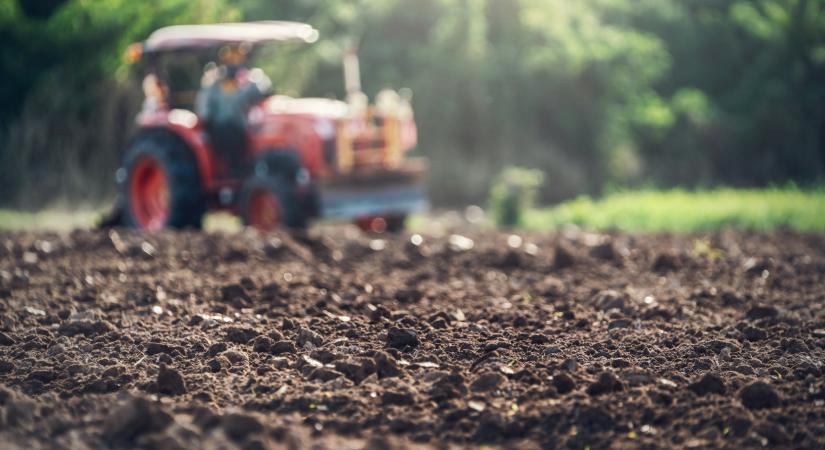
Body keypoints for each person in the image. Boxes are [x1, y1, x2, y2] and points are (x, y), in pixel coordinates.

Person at [195, 43, 272, 176]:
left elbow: (262, 92)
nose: (234, 63)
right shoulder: (213, 81)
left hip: (245, 126)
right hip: (220, 128)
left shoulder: (249, 80)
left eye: (237, 58)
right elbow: (204, 106)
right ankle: (235, 169)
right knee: (230, 133)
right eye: (230, 59)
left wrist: (255, 83)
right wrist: (205, 120)